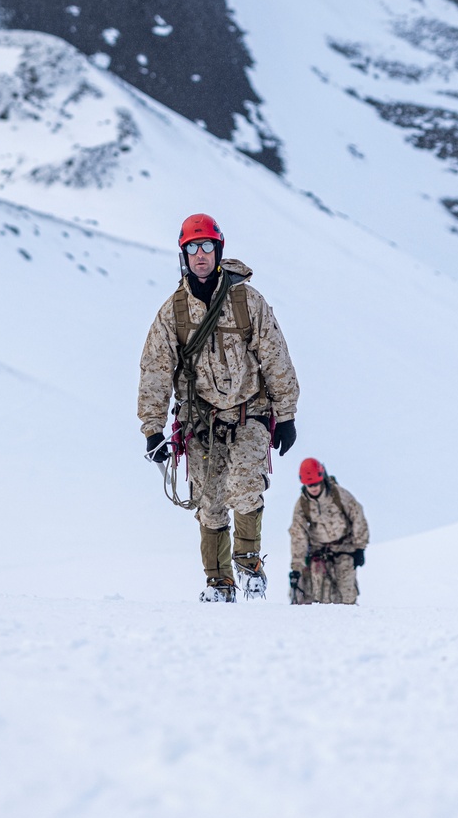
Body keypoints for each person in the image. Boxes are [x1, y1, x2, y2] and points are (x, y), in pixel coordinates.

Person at [138, 213, 299, 602]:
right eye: (192, 248)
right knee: (209, 504)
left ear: (219, 249)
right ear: (184, 256)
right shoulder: (173, 312)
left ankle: (249, 566)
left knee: (244, 488)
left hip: (250, 413)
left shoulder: (247, 302)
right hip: (200, 421)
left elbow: (276, 356)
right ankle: (219, 583)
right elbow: (156, 369)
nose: (200, 255)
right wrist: (153, 428)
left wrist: (287, 414)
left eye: (207, 246)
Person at [289, 458, 369, 605]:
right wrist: (297, 566)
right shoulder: (302, 505)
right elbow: (298, 535)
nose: (313, 488)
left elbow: (358, 517)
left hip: (344, 548)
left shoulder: (339, 495)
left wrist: (359, 548)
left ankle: (352, 619)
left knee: (346, 592)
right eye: (309, 485)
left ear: (322, 479)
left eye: (316, 484)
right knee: (316, 592)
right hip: (318, 552)